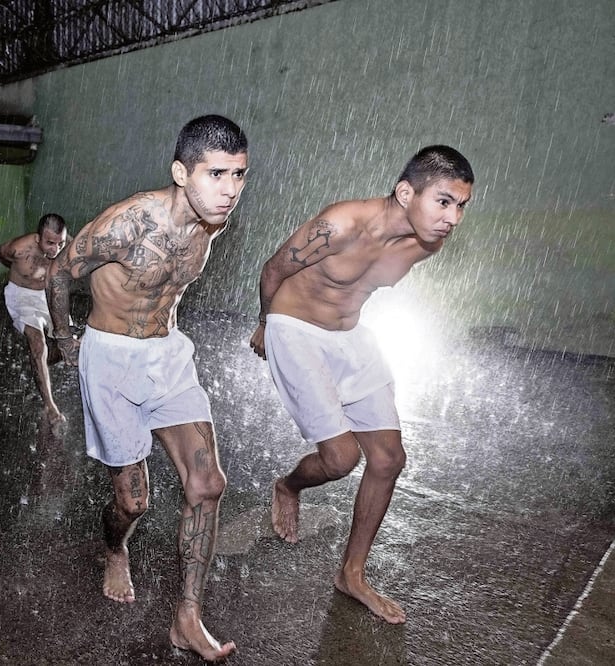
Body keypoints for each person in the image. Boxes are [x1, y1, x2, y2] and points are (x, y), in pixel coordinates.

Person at [46, 114, 248, 662]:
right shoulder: (129, 222)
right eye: (216, 174)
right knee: (133, 502)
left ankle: (188, 617)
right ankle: (114, 548)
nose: (229, 191)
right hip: (110, 359)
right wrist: (64, 340)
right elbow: (60, 271)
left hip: (168, 354)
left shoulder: (212, 221)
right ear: (181, 172)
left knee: (207, 483)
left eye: (238, 175)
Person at [248, 145, 475, 625]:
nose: (453, 218)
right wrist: (265, 323)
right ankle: (288, 486)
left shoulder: (429, 240)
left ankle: (352, 574)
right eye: (444, 202)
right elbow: (273, 269)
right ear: (405, 191)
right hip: (295, 329)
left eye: (461, 206)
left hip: (350, 336)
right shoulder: (342, 223)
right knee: (341, 459)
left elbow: (360, 287)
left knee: (389, 459)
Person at [0, 213, 70, 424]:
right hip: (21, 295)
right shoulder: (18, 248)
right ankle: (50, 406)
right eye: (49, 243)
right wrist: (20, 272)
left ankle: (38, 363)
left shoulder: (67, 247)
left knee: (64, 347)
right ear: (38, 238)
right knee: (37, 343)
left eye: (60, 243)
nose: (55, 249)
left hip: (47, 296)